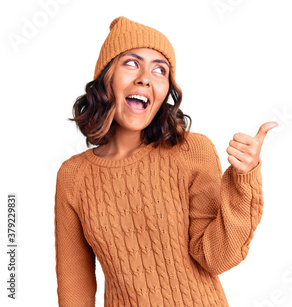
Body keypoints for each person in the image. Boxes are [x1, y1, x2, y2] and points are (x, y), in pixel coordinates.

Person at [54, 16, 277, 307]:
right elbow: (75, 287)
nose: (145, 77)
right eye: (131, 63)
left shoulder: (192, 151)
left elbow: (216, 257)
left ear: (165, 91)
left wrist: (244, 179)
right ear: (106, 78)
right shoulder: (73, 175)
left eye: (160, 70)